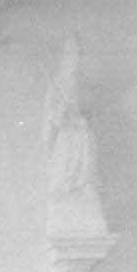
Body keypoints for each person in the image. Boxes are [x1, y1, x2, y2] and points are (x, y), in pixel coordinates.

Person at [42, 33, 98, 197]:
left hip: (81, 130)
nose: (76, 58)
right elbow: (54, 123)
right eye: (71, 53)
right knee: (72, 138)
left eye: (79, 53)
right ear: (65, 57)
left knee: (86, 136)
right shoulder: (56, 86)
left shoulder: (85, 85)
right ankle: (65, 182)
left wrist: (83, 115)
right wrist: (62, 109)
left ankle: (85, 181)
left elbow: (91, 115)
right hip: (65, 133)